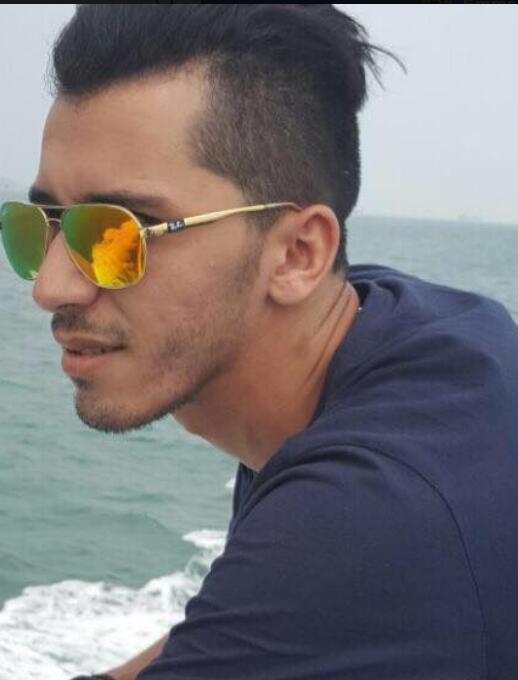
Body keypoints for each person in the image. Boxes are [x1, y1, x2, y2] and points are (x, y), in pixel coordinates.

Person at [1, 4, 517, 679]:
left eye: (119, 232)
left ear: (299, 254)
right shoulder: (406, 325)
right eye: (40, 225)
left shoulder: (367, 514)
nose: (50, 287)